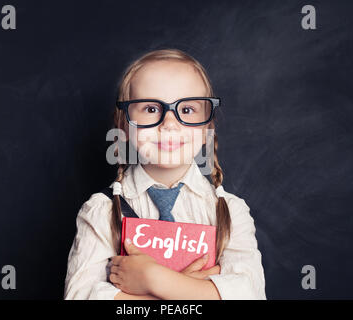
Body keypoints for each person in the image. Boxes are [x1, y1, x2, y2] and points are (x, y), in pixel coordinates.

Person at [64, 49, 266, 300]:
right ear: (124, 125)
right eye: (150, 109)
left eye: (188, 110)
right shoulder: (101, 212)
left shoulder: (230, 213)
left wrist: (152, 278)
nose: (170, 123)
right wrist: (191, 290)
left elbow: (249, 296)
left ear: (207, 127)